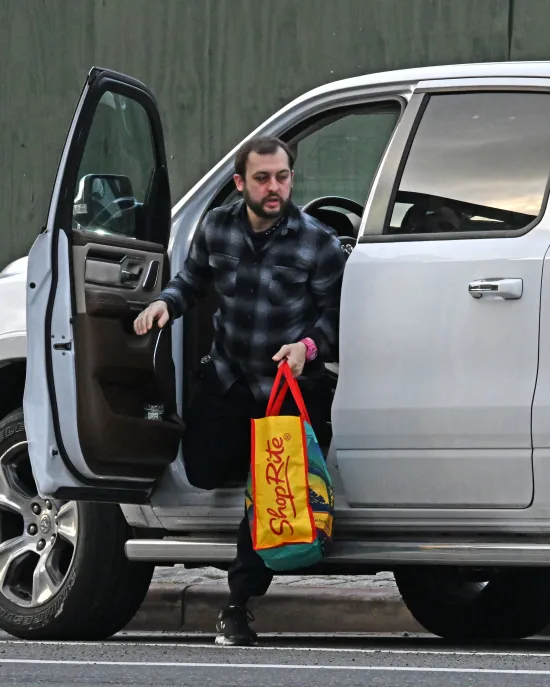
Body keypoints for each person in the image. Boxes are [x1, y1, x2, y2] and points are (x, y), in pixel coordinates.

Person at [133, 135, 347, 646]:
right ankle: (261, 474)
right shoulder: (216, 228)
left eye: (283, 177)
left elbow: (335, 319)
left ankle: (238, 603)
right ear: (239, 183)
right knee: (202, 469)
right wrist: (167, 304)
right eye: (262, 179)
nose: (275, 189)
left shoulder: (317, 242)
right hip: (231, 378)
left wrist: (307, 349)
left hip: (289, 389)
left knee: (268, 489)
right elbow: (192, 279)